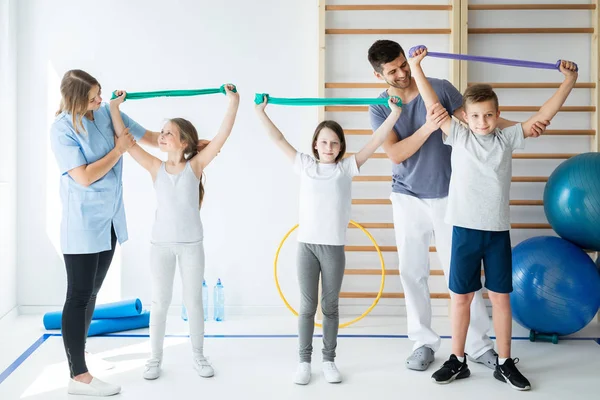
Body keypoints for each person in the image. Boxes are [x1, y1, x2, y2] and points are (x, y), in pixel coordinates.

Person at [367, 40, 549, 371]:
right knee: (412, 271)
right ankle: (422, 341)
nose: (402, 73)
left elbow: (479, 120)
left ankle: (479, 345)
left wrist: (525, 128)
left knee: (461, 275)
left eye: (403, 65)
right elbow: (395, 154)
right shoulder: (380, 107)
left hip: (451, 195)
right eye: (392, 70)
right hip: (406, 195)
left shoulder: (440, 89)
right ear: (379, 75)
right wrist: (428, 127)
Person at [408, 46, 577, 391]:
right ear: (465, 117)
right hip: (465, 231)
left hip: (496, 232)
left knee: (500, 298)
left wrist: (569, 81)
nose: (482, 122)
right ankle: (458, 360)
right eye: (476, 116)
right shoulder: (458, 136)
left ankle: (503, 362)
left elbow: (542, 117)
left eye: (488, 115)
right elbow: (433, 106)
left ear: (498, 114)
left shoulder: (507, 137)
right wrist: (415, 67)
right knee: (461, 298)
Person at [255, 94, 401, 384]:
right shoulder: (305, 166)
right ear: (315, 145)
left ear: (341, 147)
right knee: (308, 307)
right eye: (324, 142)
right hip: (307, 247)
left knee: (331, 307)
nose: (329, 147)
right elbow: (278, 138)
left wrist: (394, 113)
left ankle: (330, 360)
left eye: (334, 143)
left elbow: (376, 140)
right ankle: (304, 361)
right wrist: (261, 111)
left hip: (333, 249)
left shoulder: (347, 168)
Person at [109, 84, 239, 380]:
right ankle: (154, 359)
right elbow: (127, 144)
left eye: (168, 133)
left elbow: (222, 136)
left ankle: (198, 355)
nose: (162, 136)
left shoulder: (195, 166)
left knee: (193, 301)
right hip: (161, 246)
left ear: (184, 143)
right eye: (162, 132)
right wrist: (115, 109)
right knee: (160, 302)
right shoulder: (155, 166)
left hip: (192, 245)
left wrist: (233, 102)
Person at [50, 69, 159, 396]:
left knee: (93, 292)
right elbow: (83, 177)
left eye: (100, 93)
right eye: (94, 96)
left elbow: (149, 137)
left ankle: (79, 353)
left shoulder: (105, 113)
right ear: (75, 99)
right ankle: (78, 378)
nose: (101, 99)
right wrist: (118, 150)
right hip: (82, 222)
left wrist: (190, 144)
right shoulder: (62, 130)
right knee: (78, 295)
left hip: (109, 219)